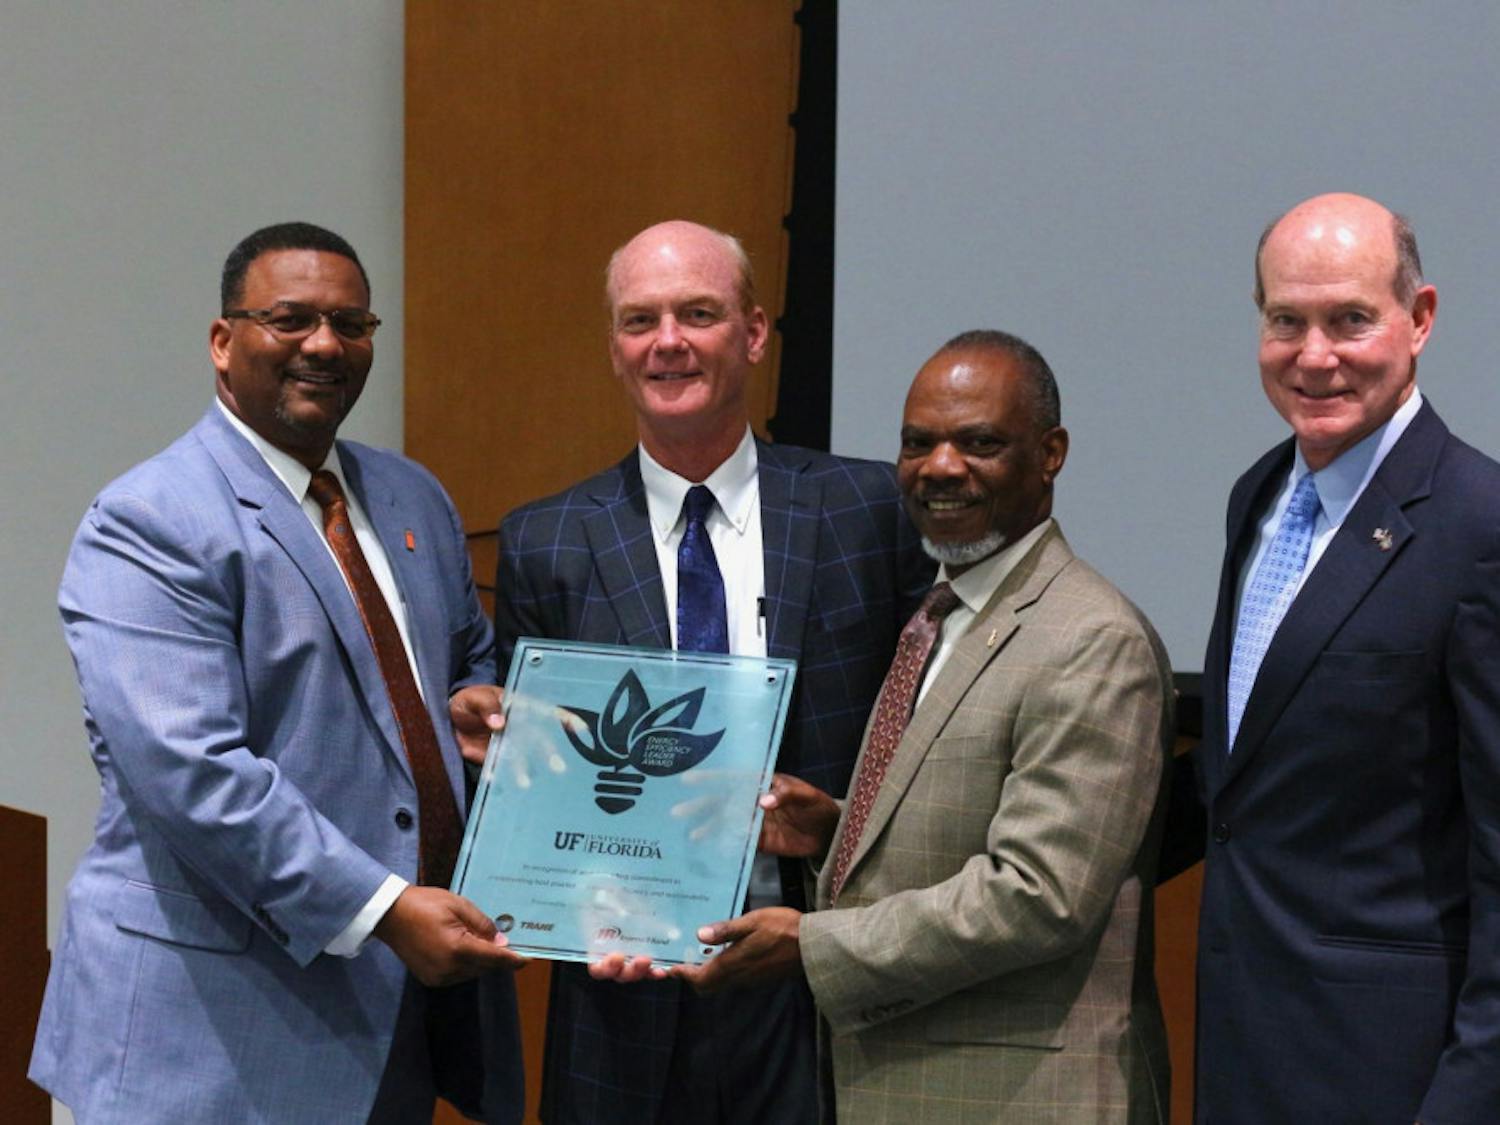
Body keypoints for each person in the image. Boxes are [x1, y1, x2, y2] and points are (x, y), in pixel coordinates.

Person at [29, 222, 524, 1123]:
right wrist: (382, 909)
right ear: (224, 341)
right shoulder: (151, 519)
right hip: (209, 1033)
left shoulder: (415, 497)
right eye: (290, 319)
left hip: (389, 1026)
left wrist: (467, 705)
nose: (326, 345)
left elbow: (464, 659)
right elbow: (192, 772)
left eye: (352, 323)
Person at [622, 330, 1174, 1122]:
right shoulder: (939, 615)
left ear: (1051, 453)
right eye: (919, 442)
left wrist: (812, 943)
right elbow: (960, 825)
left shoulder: (1092, 639)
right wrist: (833, 832)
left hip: (1021, 1098)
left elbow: (1037, 895)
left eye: (979, 442)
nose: (941, 466)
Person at [476, 219, 933, 1124]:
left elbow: (931, 731)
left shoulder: (867, 507)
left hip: (816, 973)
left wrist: (839, 823)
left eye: (698, 313)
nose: (668, 341)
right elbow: (536, 779)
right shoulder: (548, 539)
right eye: (640, 320)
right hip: (622, 992)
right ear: (614, 347)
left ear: (754, 333)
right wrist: (576, 903)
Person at [1178, 192, 1500, 1123]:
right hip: (1242, 1060)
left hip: (1394, 1081)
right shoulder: (1260, 495)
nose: (1313, 355)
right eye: (1287, 321)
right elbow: (1245, 793)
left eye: (1349, 319)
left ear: (1421, 318)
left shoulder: (1479, 527)